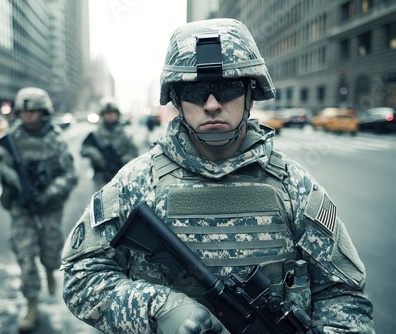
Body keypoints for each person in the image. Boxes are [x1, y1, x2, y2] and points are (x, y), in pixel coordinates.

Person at [60, 19, 374, 334]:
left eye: (228, 88)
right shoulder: (135, 182)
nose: (212, 104)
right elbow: (81, 277)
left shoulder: (294, 185)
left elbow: (344, 296)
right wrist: (158, 308)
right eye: (196, 91)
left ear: (250, 94)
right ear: (177, 101)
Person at [0, 87, 78, 332]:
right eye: (23, 111)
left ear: (43, 112)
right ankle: (32, 304)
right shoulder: (10, 139)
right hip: (21, 207)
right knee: (25, 255)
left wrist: (48, 193)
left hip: (49, 207)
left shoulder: (55, 139)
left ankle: (49, 269)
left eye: (32, 111)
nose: (27, 116)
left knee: (51, 250)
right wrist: (7, 174)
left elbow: (70, 175)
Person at [80, 100, 138, 188]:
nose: (110, 116)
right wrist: (95, 154)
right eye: (107, 113)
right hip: (101, 175)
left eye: (112, 113)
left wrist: (125, 160)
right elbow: (83, 149)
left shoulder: (125, 133)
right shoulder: (96, 134)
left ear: (117, 114)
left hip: (122, 174)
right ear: (103, 115)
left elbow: (134, 153)